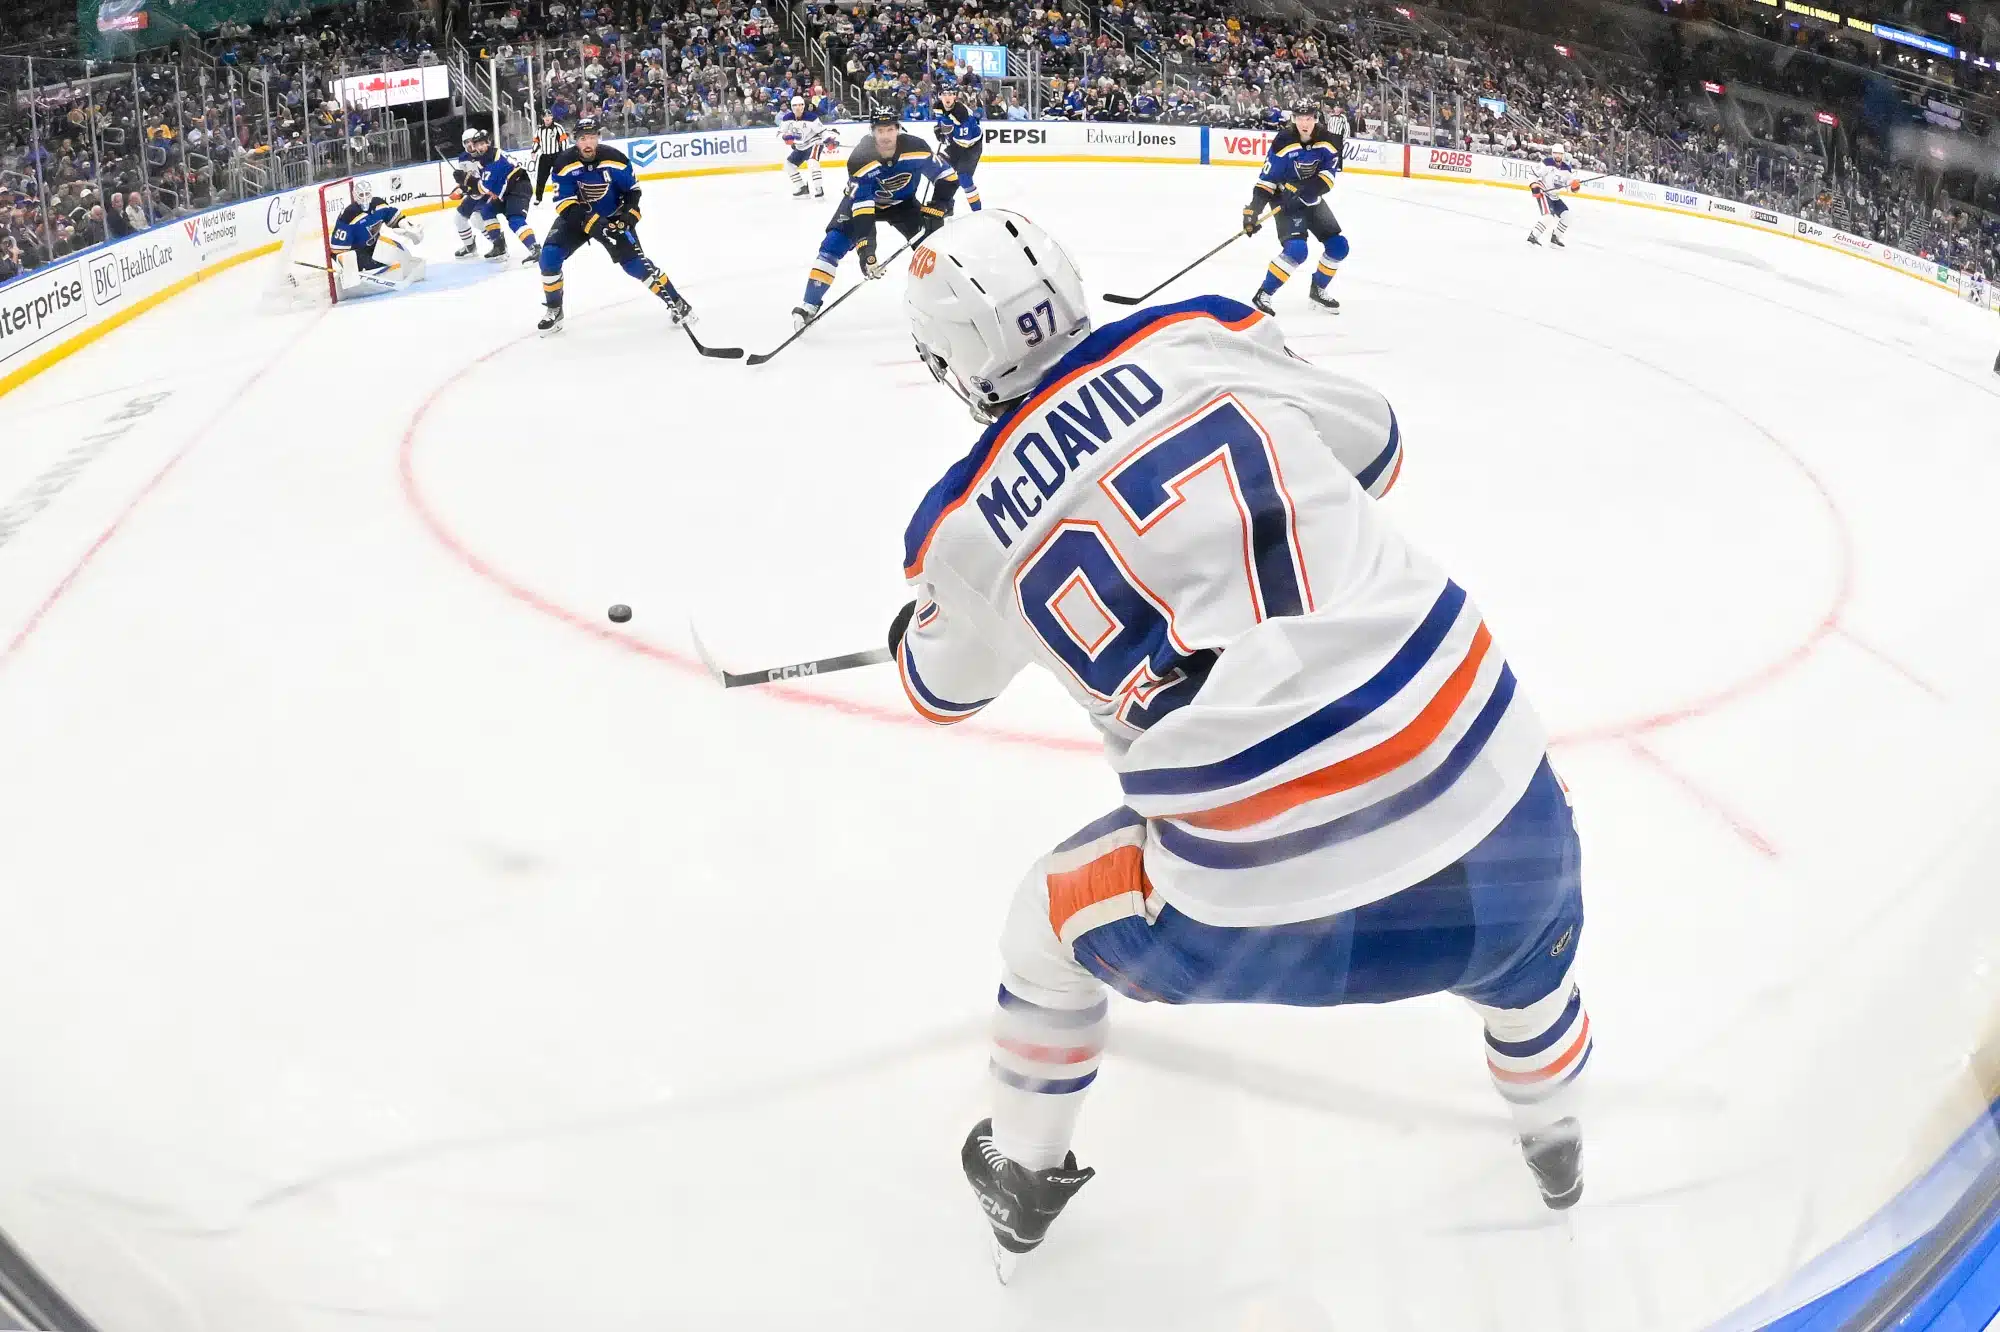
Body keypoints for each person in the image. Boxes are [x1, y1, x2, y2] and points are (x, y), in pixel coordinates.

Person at [895, 210, 1591, 1279]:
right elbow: (1377, 448)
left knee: (1043, 927)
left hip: (1261, 908)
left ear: (951, 360)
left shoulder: (958, 529)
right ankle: (1555, 1144)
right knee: (1530, 964)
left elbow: (940, 691)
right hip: (1501, 822)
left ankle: (1023, 1172)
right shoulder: (1201, 333)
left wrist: (929, 619)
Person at [790, 111, 957, 330]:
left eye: (890, 130)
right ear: (872, 132)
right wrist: (867, 252)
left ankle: (952, 298)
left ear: (898, 129)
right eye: (880, 131)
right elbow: (864, 211)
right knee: (831, 247)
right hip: (862, 204)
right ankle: (809, 305)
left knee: (934, 248)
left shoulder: (917, 148)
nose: (885, 136)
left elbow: (947, 177)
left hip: (904, 205)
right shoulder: (861, 159)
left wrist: (939, 205)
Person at [537, 117, 695, 335]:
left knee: (635, 266)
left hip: (613, 218)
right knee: (549, 257)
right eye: (583, 138)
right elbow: (564, 203)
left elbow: (633, 192)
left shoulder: (615, 159)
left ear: (598, 137)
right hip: (577, 219)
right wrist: (591, 222)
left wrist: (629, 215)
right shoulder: (563, 163)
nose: (588, 143)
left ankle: (677, 302)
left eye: (592, 137)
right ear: (575, 140)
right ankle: (555, 310)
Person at [1243, 99, 1346, 314]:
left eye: (1308, 118)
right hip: (1285, 200)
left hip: (1311, 198)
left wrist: (1304, 190)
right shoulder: (1283, 141)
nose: (1304, 123)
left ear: (1315, 119)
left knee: (1339, 246)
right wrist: (1253, 210)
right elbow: (1267, 181)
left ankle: (1318, 291)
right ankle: (1263, 294)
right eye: (1299, 118)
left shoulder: (1328, 141)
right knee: (1297, 250)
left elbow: (1328, 178)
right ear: (1293, 119)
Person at [328, 179, 426, 292]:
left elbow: (393, 217)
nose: (364, 198)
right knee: (378, 267)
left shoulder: (379, 205)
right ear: (355, 196)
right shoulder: (349, 215)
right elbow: (337, 250)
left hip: (375, 245)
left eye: (367, 194)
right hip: (356, 252)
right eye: (361, 195)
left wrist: (406, 227)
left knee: (400, 255)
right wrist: (349, 267)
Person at [465, 128, 541, 262]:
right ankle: (499, 246)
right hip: (506, 190)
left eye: (482, 144)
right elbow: (488, 186)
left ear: (488, 143)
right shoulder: (485, 160)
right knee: (487, 210)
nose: (480, 147)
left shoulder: (495, 159)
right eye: (477, 145)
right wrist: (472, 187)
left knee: (515, 219)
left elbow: (484, 187)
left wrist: (469, 183)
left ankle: (535, 248)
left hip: (519, 187)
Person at [932, 87, 984, 213]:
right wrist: (938, 129)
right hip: (956, 144)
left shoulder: (961, 114)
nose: (947, 97)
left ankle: (978, 211)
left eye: (950, 94)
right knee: (942, 172)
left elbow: (965, 142)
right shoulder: (938, 106)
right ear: (939, 96)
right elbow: (942, 122)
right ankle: (945, 206)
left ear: (955, 96)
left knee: (964, 178)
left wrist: (947, 137)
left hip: (971, 146)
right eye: (944, 94)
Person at [778, 93, 837, 199]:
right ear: (791, 107)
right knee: (788, 165)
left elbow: (822, 131)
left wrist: (829, 140)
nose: (798, 108)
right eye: (795, 105)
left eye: (800, 105)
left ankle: (818, 188)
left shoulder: (812, 117)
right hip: (800, 146)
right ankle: (802, 188)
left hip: (814, 143)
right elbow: (779, 133)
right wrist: (785, 136)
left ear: (803, 106)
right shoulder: (787, 118)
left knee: (813, 163)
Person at [448, 126, 489, 257]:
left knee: (477, 219)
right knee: (459, 218)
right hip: (474, 195)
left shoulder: (485, 155)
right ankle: (469, 246)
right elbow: (464, 182)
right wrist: (460, 190)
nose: (469, 144)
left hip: (486, 194)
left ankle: (499, 243)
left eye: (471, 141)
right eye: (466, 142)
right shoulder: (463, 158)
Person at [1528, 143, 1576, 248]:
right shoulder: (1546, 163)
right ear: (1552, 154)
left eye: (1560, 154)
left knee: (1567, 216)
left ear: (1563, 155)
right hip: (1544, 193)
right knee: (1548, 217)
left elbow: (1569, 186)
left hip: (1555, 196)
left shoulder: (1567, 169)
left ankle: (1555, 237)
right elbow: (1533, 174)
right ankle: (1533, 236)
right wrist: (1534, 185)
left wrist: (1574, 187)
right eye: (1555, 153)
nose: (1558, 156)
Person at [532, 111, 573, 204]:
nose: (547, 118)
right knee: (541, 178)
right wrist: (533, 151)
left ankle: (561, 194)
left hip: (556, 156)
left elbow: (564, 141)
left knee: (559, 176)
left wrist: (565, 154)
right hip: (544, 157)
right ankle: (538, 198)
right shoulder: (539, 129)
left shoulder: (558, 127)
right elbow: (536, 141)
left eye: (549, 116)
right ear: (542, 118)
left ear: (552, 117)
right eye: (545, 116)